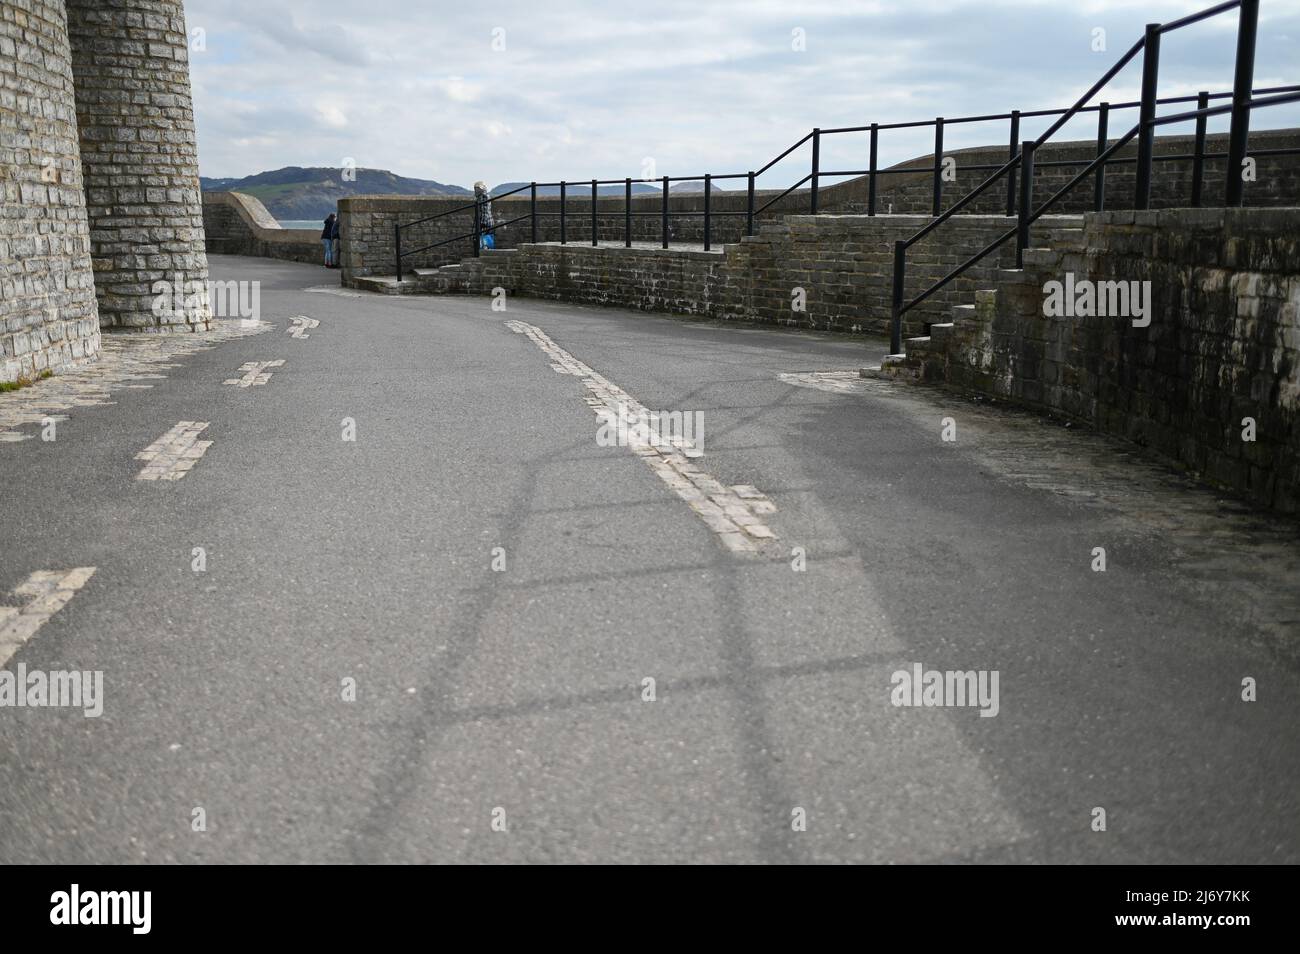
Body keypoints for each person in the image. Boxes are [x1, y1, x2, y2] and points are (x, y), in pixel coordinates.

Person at [473, 181, 494, 250]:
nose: (476, 190)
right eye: (475, 188)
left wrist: (482, 223)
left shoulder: (483, 196)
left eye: (478, 188)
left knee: (484, 239)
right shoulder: (482, 196)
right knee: (485, 239)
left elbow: (485, 210)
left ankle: (485, 253)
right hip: (486, 221)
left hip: (485, 222)